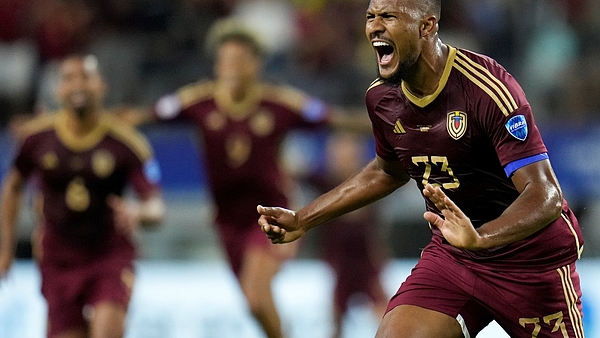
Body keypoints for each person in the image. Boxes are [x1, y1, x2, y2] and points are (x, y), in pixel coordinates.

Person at [257, 0, 586, 337]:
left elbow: (545, 194)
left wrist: (481, 237)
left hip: (529, 262)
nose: (374, 27)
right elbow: (387, 171)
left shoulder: (487, 89)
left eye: (389, 16)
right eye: (371, 16)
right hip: (455, 257)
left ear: (427, 26)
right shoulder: (382, 98)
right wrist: (303, 218)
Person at [123, 20, 368, 338]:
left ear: (256, 64)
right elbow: (143, 116)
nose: (232, 69)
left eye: (239, 61)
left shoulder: (279, 104)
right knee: (256, 306)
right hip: (226, 223)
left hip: (273, 215)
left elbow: (335, 119)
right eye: (225, 61)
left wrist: (389, 123)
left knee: (255, 295)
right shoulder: (199, 102)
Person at [0, 54, 166, 338]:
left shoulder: (126, 143)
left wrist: (137, 212)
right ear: (58, 90)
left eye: (86, 77)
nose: (78, 85)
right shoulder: (36, 139)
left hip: (109, 255)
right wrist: (6, 251)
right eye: (69, 79)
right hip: (57, 258)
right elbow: (13, 187)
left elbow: (156, 206)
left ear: (101, 86)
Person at [306, 131, 389, 338]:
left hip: (367, 264)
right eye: (338, 151)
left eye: (349, 151)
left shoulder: (373, 182)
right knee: (335, 323)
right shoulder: (324, 183)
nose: (343, 156)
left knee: (388, 318)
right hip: (340, 265)